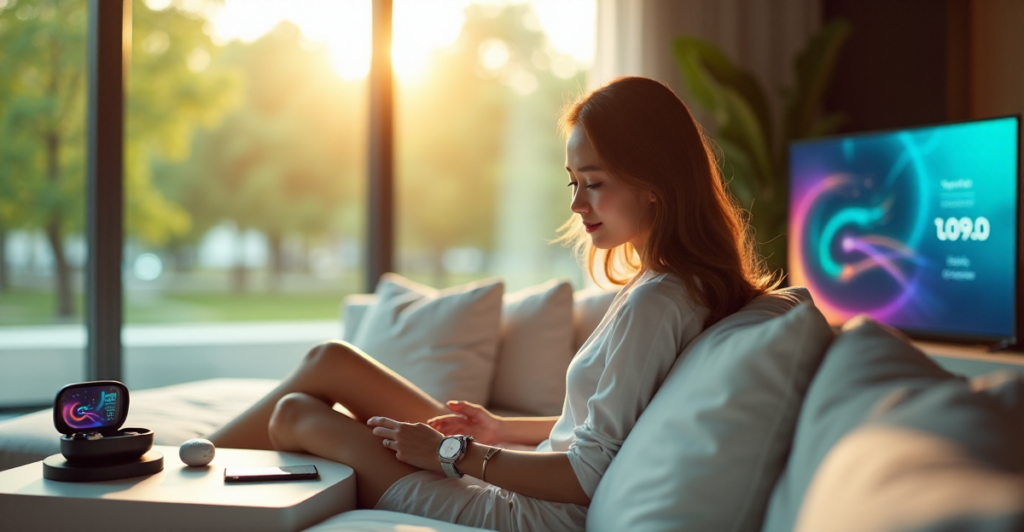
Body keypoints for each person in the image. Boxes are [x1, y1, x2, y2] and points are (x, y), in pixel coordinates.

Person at [208, 76, 778, 531]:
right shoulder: (674, 284)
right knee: (331, 360)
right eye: (572, 181)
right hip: (516, 478)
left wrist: (452, 453)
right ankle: (175, 461)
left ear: (654, 182)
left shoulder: (662, 300)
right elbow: (607, 425)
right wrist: (499, 430)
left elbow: (584, 475)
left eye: (594, 181)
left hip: (524, 511)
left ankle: (168, 476)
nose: (577, 203)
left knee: (295, 415)